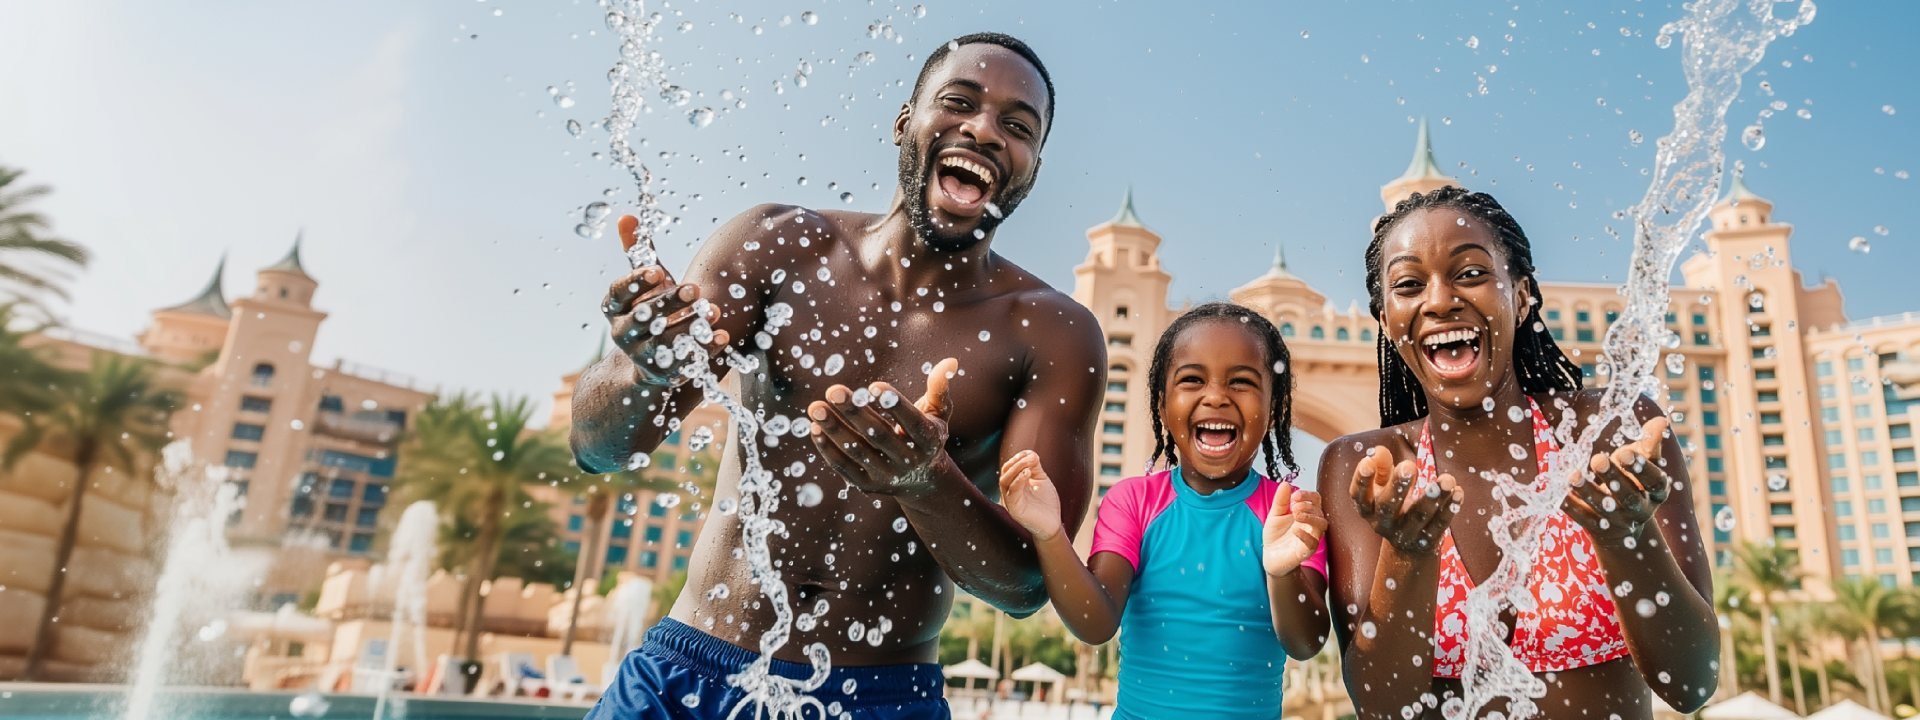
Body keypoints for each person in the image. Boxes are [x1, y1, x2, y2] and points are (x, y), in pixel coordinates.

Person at [571, 32, 1108, 719]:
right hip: (688, 674)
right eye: (959, 102)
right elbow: (598, 449)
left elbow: (1027, 582)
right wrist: (643, 370)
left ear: (1031, 166)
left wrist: (925, 480)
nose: (983, 129)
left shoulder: (1050, 334)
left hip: (878, 699)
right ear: (904, 122)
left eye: (1017, 126)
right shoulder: (777, 245)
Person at [1321, 186, 1718, 719]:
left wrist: (1627, 537)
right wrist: (1407, 556)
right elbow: (1382, 706)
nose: (1439, 301)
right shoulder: (1370, 467)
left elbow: (1692, 684)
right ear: (1387, 318)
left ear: (1522, 294)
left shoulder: (1611, 430)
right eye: (1410, 285)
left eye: (1470, 273)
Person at [997, 302, 1331, 719]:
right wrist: (1050, 534)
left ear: (1275, 407)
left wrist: (1284, 572)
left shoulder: (1288, 513)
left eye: (1241, 383)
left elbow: (1305, 643)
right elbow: (1095, 622)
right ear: (1162, 405)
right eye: (1192, 380)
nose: (1216, 397)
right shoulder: (1133, 502)